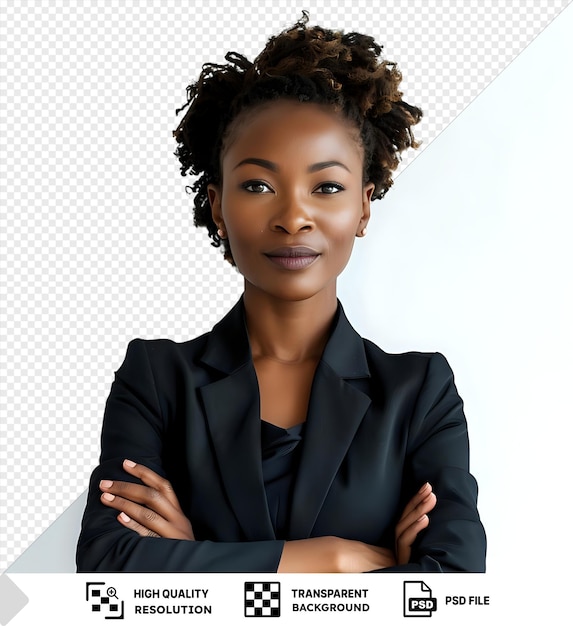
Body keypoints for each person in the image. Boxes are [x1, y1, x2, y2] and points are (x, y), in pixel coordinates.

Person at [76, 13, 486, 573]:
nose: (294, 217)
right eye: (258, 185)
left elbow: (454, 589)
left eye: (327, 186)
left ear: (363, 207)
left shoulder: (419, 395)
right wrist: (334, 561)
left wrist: (195, 559)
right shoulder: (156, 380)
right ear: (218, 205)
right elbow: (107, 567)